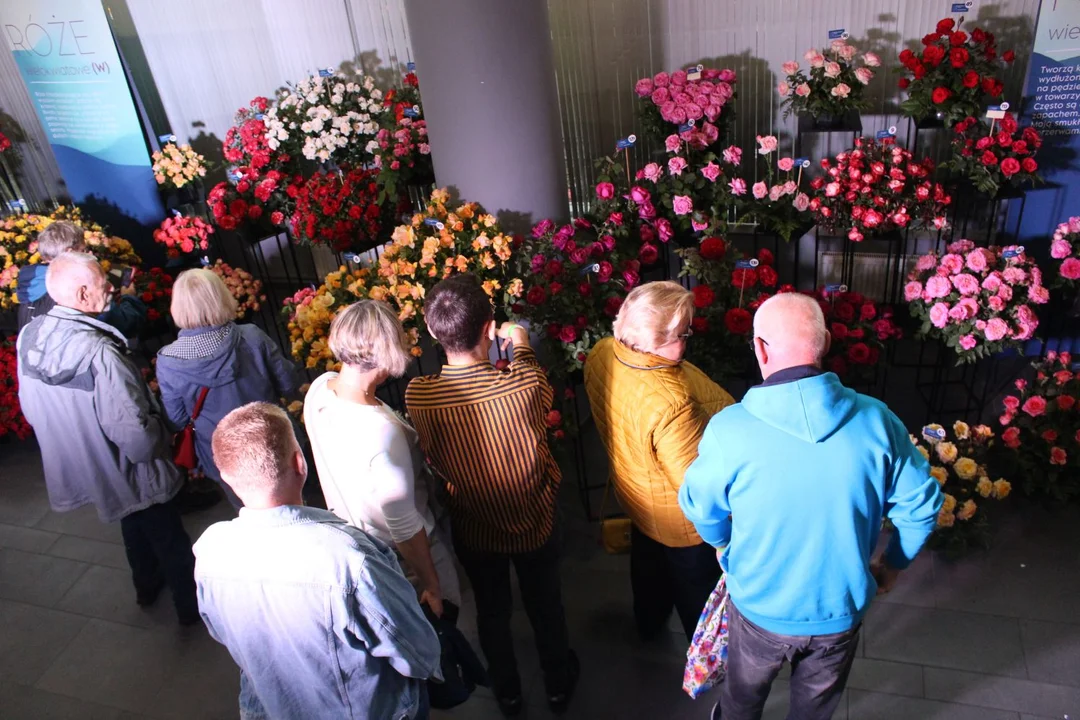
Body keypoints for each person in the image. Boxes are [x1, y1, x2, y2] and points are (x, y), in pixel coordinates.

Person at [679, 293, 943, 720]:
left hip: (758, 608)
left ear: (761, 348)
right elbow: (922, 507)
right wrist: (892, 563)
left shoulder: (729, 429)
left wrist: (724, 544)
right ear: (823, 345)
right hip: (839, 612)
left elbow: (700, 507)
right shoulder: (878, 420)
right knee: (814, 709)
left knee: (742, 700)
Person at [195, 402, 441, 720]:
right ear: (300, 463)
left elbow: (222, 632)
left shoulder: (211, 550)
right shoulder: (350, 558)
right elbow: (417, 652)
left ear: (228, 478)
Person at [405, 273, 577, 717]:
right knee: (546, 604)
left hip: (474, 525)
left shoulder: (420, 395)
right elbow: (537, 388)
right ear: (488, 327)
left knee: (492, 611)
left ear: (430, 331)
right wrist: (519, 341)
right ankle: (558, 683)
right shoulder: (522, 383)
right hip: (534, 519)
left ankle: (508, 691)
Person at [17, 252, 198, 624]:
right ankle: (192, 609)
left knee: (130, 519)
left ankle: (146, 587)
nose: (113, 286)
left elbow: (31, 408)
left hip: (88, 460)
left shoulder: (29, 335)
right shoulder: (100, 352)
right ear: (83, 295)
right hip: (132, 467)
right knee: (168, 536)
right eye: (104, 282)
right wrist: (164, 431)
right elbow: (137, 439)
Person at [584, 280, 734, 641]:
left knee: (648, 571)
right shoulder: (672, 404)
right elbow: (695, 487)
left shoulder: (604, 352)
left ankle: (648, 626)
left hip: (638, 495)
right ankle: (705, 660)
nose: (687, 341)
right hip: (681, 525)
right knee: (696, 595)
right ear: (658, 339)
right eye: (684, 333)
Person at [305, 300, 461, 616]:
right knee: (442, 634)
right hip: (405, 554)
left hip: (356, 543)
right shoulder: (381, 432)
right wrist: (431, 583)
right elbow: (404, 525)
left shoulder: (320, 389)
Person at [156, 268, 300, 508]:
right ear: (221, 297)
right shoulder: (251, 336)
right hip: (275, 439)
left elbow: (177, 419)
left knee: (250, 513)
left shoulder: (168, 361)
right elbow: (289, 384)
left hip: (224, 455)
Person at [17, 220, 147, 336]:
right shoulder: (77, 284)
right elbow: (125, 325)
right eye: (84, 250)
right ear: (69, 252)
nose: (90, 254)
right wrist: (129, 297)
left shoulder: (29, 283)